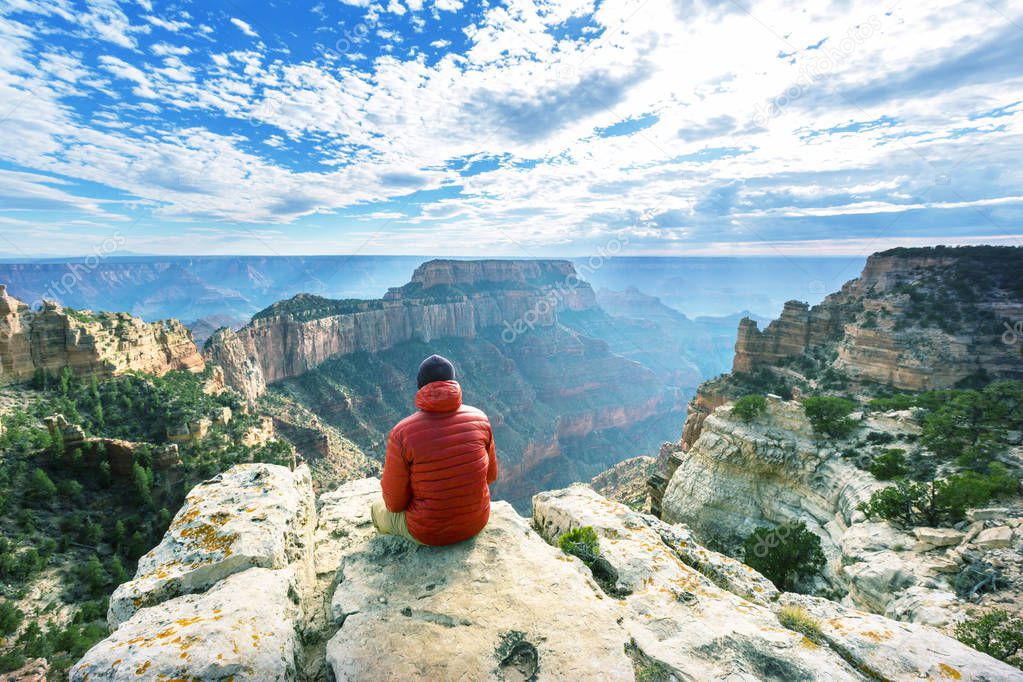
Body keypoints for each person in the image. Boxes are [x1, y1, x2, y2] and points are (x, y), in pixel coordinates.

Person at [371, 354, 498, 546]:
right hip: (476, 522)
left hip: (428, 533)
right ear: (453, 383)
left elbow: (395, 504)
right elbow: (490, 476)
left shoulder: (401, 433)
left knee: (376, 508)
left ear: (420, 387)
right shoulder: (480, 418)